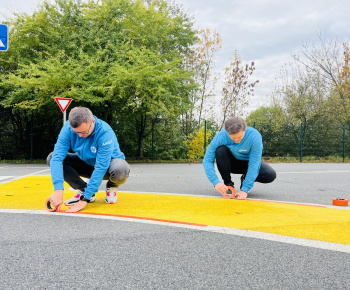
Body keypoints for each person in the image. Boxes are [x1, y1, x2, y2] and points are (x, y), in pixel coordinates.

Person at [47, 107, 130, 213]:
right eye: (77, 133)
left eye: (84, 132)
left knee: (120, 167)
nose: (81, 136)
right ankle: (83, 189)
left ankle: (112, 186)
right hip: (85, 163)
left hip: (108, 168)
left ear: (93, 122)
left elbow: (101, 166)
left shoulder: (104, 132)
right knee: (52, 157)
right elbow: (57, 158)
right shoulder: (67, 128)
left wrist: (84, 199)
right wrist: (58, 189)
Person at [203, 116, 276, 199]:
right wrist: (216, 182)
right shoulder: (221, 136)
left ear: (245, 128)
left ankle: (245, 179)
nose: (237, 140)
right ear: (227, 132)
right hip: (231, 163)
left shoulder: (254, 136)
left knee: (270, 174)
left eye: (240, 137)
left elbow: (254, 163)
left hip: (248, 163)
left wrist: (245, 189)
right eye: (233, 138)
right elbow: (207, 160)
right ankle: (228, 184)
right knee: (220, 150)